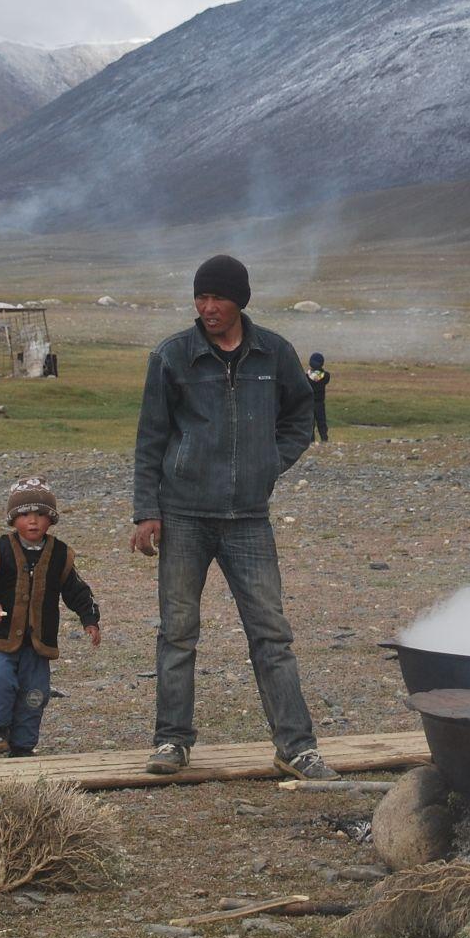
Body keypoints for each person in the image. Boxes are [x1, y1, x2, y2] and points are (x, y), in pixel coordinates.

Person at [131, 254, 336, 781]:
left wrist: (271, 462)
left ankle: (296, 746)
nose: (207, 307)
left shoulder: (274, 353)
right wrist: (146, 512)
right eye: (200, 298)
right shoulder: (173, 356)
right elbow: (151, 437)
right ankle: (171, 742)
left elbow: (300, 415)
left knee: (271, 632)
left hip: (248, 517)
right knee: (178, 632)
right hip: (183, 514)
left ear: (239, 299)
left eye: (217, 297)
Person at [0, 477, 100, 758]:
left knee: (35, 693)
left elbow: (77, 590)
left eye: (41, 515)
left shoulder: (60, 555)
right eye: (25, 514)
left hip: (38, 643)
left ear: (51, 520)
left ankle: (23, 746)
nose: (33, 521)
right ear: (14, 519)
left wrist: (89, 619)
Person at [307, 352, 332, 443]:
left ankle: (311, 441)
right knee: (322, 422)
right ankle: (324, 439)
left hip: (309, 403)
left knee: (310, 423)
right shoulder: (326, 376)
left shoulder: (306, 377)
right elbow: (326, 374)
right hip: (320, 403)